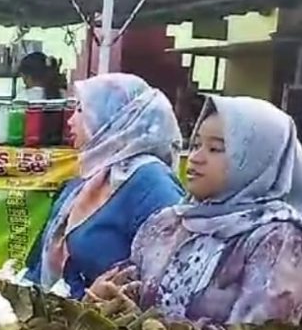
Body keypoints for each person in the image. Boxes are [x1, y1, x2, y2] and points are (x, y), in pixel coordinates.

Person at [90, 95, 302, 326]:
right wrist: (104, 298)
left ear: (257, 159)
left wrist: (153, 329)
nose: (195, 158)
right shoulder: (168, 222)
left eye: (215, 149)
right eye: (195, 145)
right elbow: (131, 287)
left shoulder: (275, 239)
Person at [25, 73, 185, 298]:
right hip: (57, 312)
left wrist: (97, 299)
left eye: (81, 110)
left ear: (116, 117)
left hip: (106, 318)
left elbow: (167, 279)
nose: (70, 120)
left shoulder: (151, 183)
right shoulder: (88, 177)